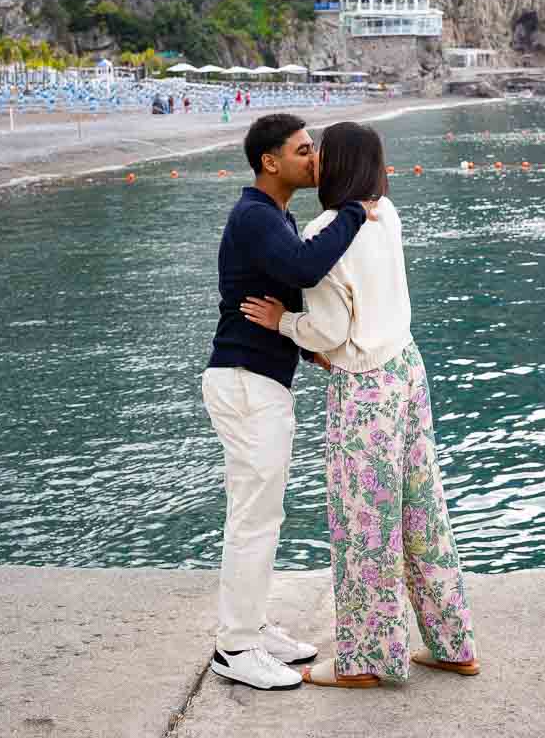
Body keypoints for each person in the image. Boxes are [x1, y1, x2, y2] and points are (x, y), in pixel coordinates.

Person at [241, 121, 478, 689]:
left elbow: (327, 328)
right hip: (407, 370)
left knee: (364, 523)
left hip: (365, 387)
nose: (313, 157)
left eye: (321, 150)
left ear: (338, 162)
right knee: (423, 512)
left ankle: (368, 660)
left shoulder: (328, 231)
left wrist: (285, 321)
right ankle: (453, 643)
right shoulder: (386, 214)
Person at [202, 114, 373, 692]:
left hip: (258, 379)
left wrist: (310, 352)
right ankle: (234, 647)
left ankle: (250, 626)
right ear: (270, 161)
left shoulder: (275, 216)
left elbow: (285, 293)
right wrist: (355, 208)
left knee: (262, 515)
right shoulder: (254, 215)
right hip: (245, 381)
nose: (315, 158)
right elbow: (304, 267)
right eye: (304, 150)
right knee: (253, 519)